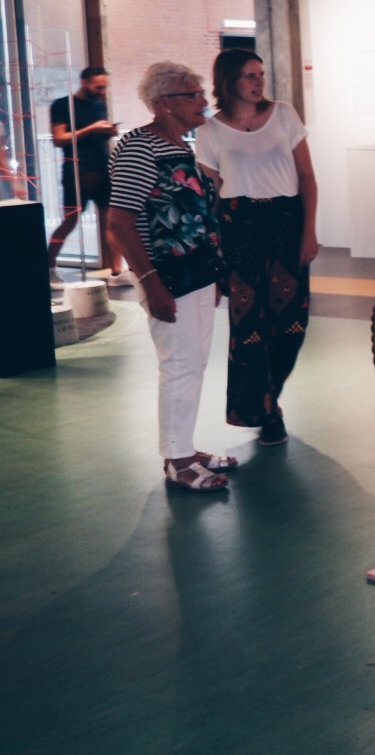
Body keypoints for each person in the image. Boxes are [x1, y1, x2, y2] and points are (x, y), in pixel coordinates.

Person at [106, 62, 232, 493]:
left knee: (193, 362)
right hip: (168, 275)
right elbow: (120, 222)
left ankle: (185, 448)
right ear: (164, 103)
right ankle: (178, 461)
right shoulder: (140, 148)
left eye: (201, 93)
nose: (204, 101)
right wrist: (151, 281)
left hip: (195, 271)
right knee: (179, 364)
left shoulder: (178, 144)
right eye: (192, 94)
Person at [194, 50, 318, 447]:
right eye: (250, 75)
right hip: (239, 229)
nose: (258, 81)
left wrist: (309, 231)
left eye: (261, 74)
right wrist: (216, 254)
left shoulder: (283, 115)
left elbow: (307, 178)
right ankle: (268, 413)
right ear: (229, 80)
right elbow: (213, 197)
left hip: (286, 223)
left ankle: (268, 397)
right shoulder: (210, 132)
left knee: (292, 325)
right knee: (249, 326)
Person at [47, 66, 121, 275]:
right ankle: (48, 266)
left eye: (104, 87)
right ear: (85, 82)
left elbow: (96, 137)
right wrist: (92, 129)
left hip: (103, 169)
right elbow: (59, 139)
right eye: (98, 87)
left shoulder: (99, 104)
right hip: (77, 171)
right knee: (70, 221)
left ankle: (117, 270)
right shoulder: (62, 105)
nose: (101, 91)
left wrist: (108, 132)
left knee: (112, 222)